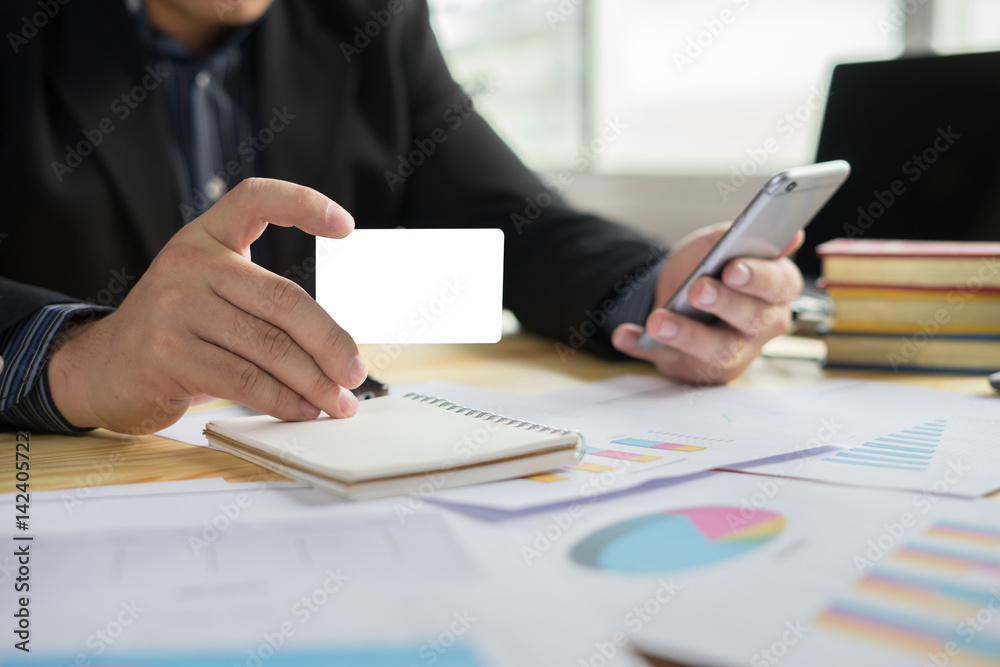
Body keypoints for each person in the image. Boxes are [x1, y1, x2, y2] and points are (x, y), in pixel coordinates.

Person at [0, 0, 803, 436]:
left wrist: (658, 288)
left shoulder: (367, 22)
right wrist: (76, 357)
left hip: (317, 464)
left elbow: (509, 214)